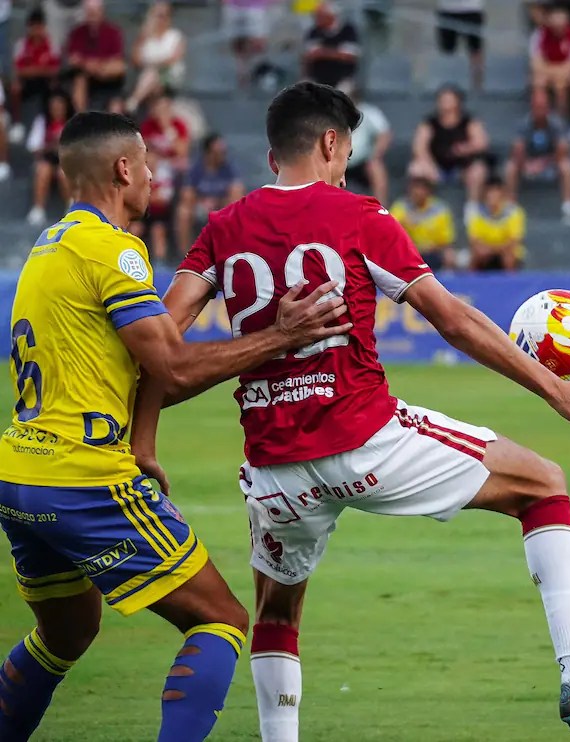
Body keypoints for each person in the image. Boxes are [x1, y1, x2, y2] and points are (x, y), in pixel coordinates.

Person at [132, 81, 570, 742]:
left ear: (272, 156)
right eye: (346, 153)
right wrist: (552, 388)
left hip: (275, 469)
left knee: (276, 611)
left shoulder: (221, 229)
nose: (345, 166)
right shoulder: (359, 215)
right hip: (367, 442)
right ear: (330, 142)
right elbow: (452, 319)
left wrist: (144, 443)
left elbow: (158, 346)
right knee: (542, 485)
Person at [0, 110, 351, 742]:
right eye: (146, 164)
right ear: (123, 169)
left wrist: (142, 443)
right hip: (81, 477)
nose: (153, 176)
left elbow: (125, 368)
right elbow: (176, 367)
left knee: (66, 633)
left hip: (19, 472)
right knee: (220, 619)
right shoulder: (114, 249)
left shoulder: (50, 246)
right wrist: (281, 336)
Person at [410, 84, 490, 212]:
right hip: (436, 166)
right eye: (442, 99)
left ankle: (472, 209)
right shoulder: (429, 123)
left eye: (449, 99)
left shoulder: (469, 121)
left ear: (458, 102)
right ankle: (424, 209)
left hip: (463, 168)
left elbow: (482, 143)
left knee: (478, 170)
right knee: (416, 168)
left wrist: (465, 148)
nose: (445, 103)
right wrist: (430, 165)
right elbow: (419, 147)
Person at [506, 88, 570, 226]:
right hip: (528, 163)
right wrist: (526, 164)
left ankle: (569, 208)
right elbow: (517, 149)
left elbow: (563, 151)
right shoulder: (524, 124)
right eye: (536, 106)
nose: (539, 110)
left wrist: (542, 163)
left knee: (567, 165)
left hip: (551, 163)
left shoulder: (557, 124)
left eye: (542, 107)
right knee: (510, 167)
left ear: (548, 107)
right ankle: (510, 208)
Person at [176, 132, 245, 253]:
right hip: (199, 206)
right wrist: (201, 201)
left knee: (236, 202)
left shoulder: (229, 168)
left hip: (222, 206)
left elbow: (238, 192)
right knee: (183, 212)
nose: (221, 155)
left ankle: (231, 250)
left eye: (223, 152)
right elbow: (186, 194)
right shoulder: (196, 169)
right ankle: (185, 253)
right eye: (217, 152)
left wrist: (218, 203)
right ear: (208, 153)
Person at [9, 9, 61, 146]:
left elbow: (54, 70)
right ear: (29, 27)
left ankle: (54, 125)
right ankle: (17, 123)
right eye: (34, 27)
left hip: (46, 82)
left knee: (55, 87)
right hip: (28, 83)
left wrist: (34, 70)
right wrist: (40, 70)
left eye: (40, 26)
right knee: (15, 87)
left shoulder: (51, 44)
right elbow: (19, 71)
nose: (37, 30)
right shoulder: (21, 45)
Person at [65, 0, 126, 112]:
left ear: (101, 12)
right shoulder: (77, 32)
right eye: (89, 12)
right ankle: (82, 116)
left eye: (94, 12)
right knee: (79, 80)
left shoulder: (113, 31)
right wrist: (89, 65)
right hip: (86, 76)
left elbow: (117, 61)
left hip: (107, 76)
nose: (92, 16)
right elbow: (73, 59)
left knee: (117, 68)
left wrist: (96, 65)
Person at [126, 1, 186, 113]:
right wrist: (142, 37)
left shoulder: (175, 36)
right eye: (157, 15)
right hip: (145, 78)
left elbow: (173, 59)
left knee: (152, 73)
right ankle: (137, 105)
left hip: (168, 77)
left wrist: (153, 64)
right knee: (150, 76)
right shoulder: (144, 37)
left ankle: (134, 101)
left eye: (163, 16)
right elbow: (135, 61)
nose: (160, 20)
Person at [390, 175, 458, 271]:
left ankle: (446, 279)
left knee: (449, 255)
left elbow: (446, 241)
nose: (417, 192)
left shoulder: (440, 209)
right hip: (409, 252)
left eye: (421, 188)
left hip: (434, 252)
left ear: (429, 191)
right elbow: (391, 231)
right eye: (415, 188)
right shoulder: (400, 207)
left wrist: (431, 247)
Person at [26, 90, 73, 226]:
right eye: (53, 107)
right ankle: (38, 209)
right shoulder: (42, 121)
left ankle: (71, 207)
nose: (56, 110)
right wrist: (51, 145)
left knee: (63, 172)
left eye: (60, 106)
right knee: (43, 169)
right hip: (48, 159)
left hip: (68, 161)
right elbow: (34, 148)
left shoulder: (74, 123)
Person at [529, 4, 570, 122]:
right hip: (547, 69)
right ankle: (538, 119)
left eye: (561, 26)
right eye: (555, 26)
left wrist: (558, 74)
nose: (558, 29)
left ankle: (560, 119)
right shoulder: (539, 35)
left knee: (560, 84)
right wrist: (550, 72)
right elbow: (536, 62)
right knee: (538, 81)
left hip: (565, 71)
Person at [468, 175, 527, 271]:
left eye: (495, 191)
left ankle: (511, 280)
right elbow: (474, 241)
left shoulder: (514, 212)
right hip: (485, 252)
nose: (491, 196)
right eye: (489, 192)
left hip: (506, 251)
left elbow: (514, 241)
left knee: (509, 257)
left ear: (502, 193)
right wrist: (488, 250)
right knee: (476, 256)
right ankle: (471, 281)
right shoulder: (477, 213)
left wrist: (494, 250)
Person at [302, 1, 361, 94]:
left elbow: (349, 56)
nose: (316, 19)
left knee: (342, 95)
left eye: (320, 16)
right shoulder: (313, 32)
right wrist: (337, 53)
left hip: (343, 78)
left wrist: (323, 52)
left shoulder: (348, 31)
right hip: (317, 77)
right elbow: (311, 55)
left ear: (330, 16)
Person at [346, 89, 391, 205]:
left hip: (363, 161)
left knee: (376, 167)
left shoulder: (369, 112)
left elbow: (384, 134)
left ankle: (381, 208)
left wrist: (375, 155)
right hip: (339, 159)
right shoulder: (334, 114)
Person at [436, 0, 485, 90]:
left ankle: (477, 88)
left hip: (471, 9)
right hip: (447, 9)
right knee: (447, 53)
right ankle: (448, 88)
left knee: (475, 51)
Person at [140, 92, 190, 173]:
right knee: (149, 159)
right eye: (159, 110)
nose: (162, 113)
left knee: (183, 163)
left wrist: (168, 129)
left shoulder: (179, 125)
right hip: (156, 162)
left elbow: (182, 151)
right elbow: (144, 148)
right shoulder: (148, 125)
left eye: (165, 110)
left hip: (173, 163)